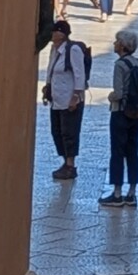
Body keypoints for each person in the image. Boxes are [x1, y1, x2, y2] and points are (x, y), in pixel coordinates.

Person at [104, 25, 138, 205]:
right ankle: (132, 192)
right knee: (132, 151)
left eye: (117, 41)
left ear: (123, 46)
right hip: (136, 113)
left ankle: (117, 193)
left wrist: (109, 97)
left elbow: (118, 93)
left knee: (117, 151)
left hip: (120, 112)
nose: (114, 43)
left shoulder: (120, 65)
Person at [42, 18, 91, 181]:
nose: (52, 34)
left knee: (69, 132)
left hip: (70, 99)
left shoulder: (73, 50)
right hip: (57, 99)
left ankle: (70, 164)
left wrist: (75, 97)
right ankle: (65, 161)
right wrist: (47, 87)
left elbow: (79, 74)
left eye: (55, 31)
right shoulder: (54, 50)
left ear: (61, 34)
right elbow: (50, 70)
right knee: (57, 131)